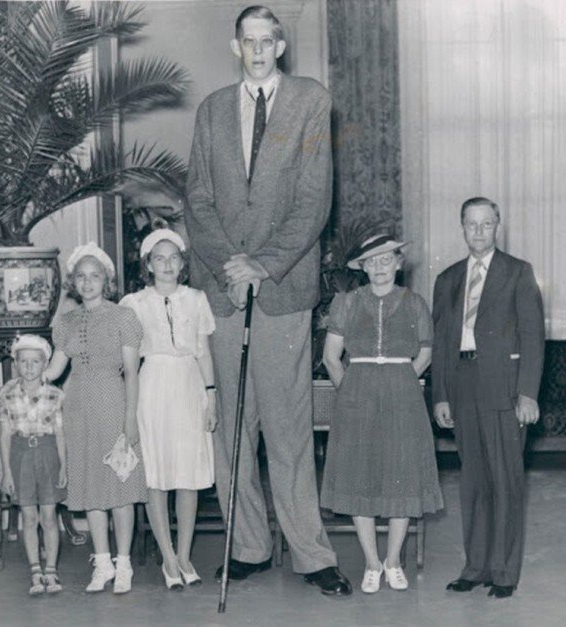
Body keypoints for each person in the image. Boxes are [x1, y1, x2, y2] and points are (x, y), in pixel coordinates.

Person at [184, 5, 351, 595]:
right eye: (248, 42)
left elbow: (314, 199)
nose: (257, 51)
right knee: (232, 429)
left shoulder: (310, 100)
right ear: (236, 47)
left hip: (283, 288)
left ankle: (311, 554)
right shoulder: (211, 110)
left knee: (288, 430)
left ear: (280, 46)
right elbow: (197, 198)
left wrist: (264, 263)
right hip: (224, 290)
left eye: (266, 42)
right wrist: (231, 265)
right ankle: (248, 546)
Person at [432, 197, 545, 599]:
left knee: (505, 481)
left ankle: (503, 572)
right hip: (462, 387)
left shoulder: (518, 272)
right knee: (473, 482)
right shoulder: (447, 279)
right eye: (471, 224)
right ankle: (475, 567)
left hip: (504, 388)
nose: (478, 231)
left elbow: (533, 338)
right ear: (462, 227)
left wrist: (527, 394)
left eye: (486, 224)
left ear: (498, 227)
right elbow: (442, 342)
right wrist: (441, 396)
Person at [320, 234, 444, 594]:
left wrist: (401, 381)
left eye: (386, 259)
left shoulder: (415, 303)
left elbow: (425, 352)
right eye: (371, 261)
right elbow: (331, 356)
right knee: (359, 475)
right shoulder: (347, 302)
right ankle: (372, 563)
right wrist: (351, 390)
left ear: (398, 263)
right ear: (363, 268)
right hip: (356, 394)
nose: (379, 267)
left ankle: (393, 561)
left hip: (402, 396)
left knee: (401, 473)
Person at [43, 242, 147, 594]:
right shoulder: (67, 322)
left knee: (119, 487)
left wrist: (130, 418)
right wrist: (30, 370)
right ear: (73, 282)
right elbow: (55, 369)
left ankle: (123, 564)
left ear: (107, 280)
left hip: (113, 404)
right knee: (90, 488)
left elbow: (131, 372)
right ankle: (102, 563)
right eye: (81, 277)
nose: (88, 283)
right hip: (78, 409)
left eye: (95, 276)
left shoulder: (123, 317)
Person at [119, 227, 217, 590]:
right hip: (153, 388)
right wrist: (129, 410)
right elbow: (129, 362)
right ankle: (168, 558)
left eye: (173, 258)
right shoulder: (134, 303)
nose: (167, 265)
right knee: (156, 475)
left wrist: (211, 396)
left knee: (188, 475)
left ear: (182, 263)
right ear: (148, 264)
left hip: (189, 386)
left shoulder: (196, 299)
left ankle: (185, 554)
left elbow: (203, 353)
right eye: (159, 259)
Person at [0, 334, 67, 596]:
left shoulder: (56, 395)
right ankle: (35, 570)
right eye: (23, 361)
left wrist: (64, 466)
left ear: (45, 363)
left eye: (35, 361)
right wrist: (6, 472)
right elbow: (5, 435)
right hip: (20, 455)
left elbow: (60, 434)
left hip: (48, 454)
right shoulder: (6, 394)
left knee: (49, 516)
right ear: (15, 363)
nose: (29, 367)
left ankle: (51, 570)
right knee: (29, 516)